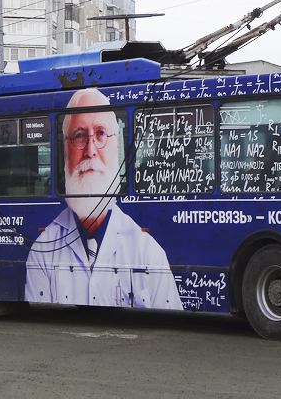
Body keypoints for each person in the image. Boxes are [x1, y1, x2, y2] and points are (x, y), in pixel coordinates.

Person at [24, 87, 182, 309]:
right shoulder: (43, 252)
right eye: (79, 135)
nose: (90, 150)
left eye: (100, 134)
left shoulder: (149, 253)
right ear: (65, 150)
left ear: (117, 145)